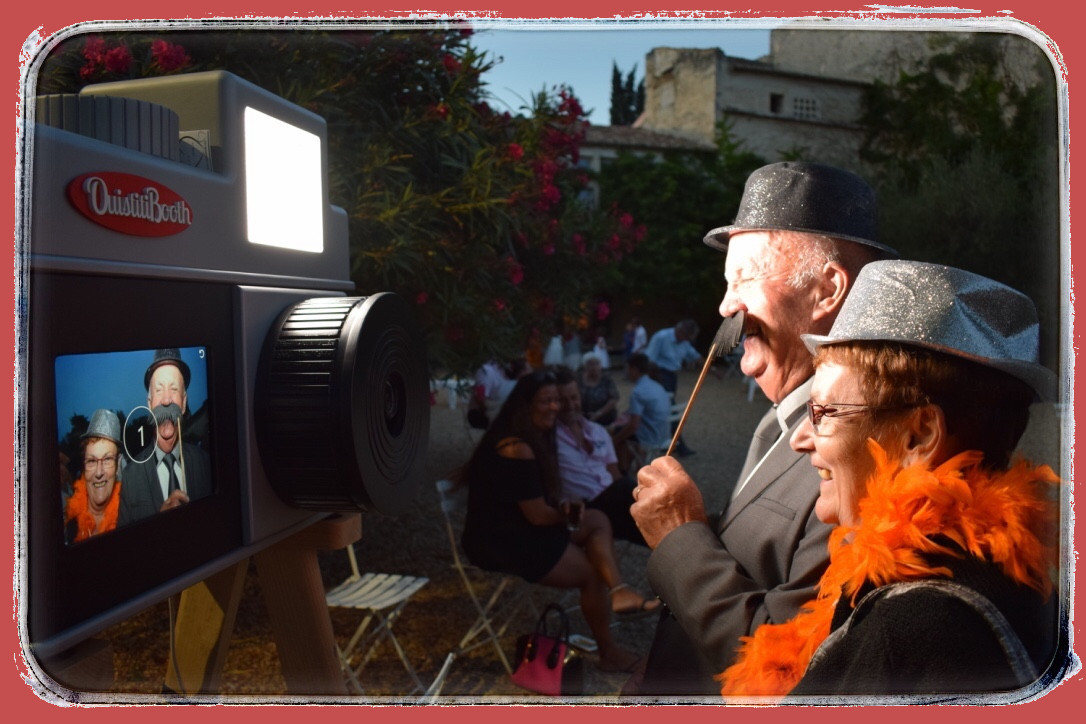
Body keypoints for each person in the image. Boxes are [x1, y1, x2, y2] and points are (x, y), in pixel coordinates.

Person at [719, 260, 1061, 699]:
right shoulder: (1001, 579)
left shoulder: (920, 629)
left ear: (919, 435)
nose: (799, 439)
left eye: (822, 413)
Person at [629, 161, 897, 695]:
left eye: (745, 278)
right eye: (726, 283)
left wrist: (680, 536)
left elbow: (783, 666)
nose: (725, 305)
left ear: (826, 291)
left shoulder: (861, 455)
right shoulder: (780, 417)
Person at [458, 370, 660, 673]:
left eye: (557, 400)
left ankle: (620, 591)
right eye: (546, 401)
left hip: (519, 527)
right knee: (591, 574)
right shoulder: (516, 447)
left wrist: (568, 508)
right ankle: (609, 653)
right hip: (501, 541)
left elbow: (533, 505)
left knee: (596, 519)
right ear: (524, 405)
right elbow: (538, 515)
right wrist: (564, 513)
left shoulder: (531, 438)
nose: (555, 407)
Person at [553, 366, 646, 547]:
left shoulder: (597, 431)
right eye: (562, 400)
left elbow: (614, 473)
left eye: (573, 398)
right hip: (586, 505)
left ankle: (688, 534)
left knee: (642, 498)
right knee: (639, 511)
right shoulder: (550, 438)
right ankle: (691, 537)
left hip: (614, 495)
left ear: (580, 396)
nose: (570, 405)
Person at [119, 348, 212, 526]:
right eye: (159, 390)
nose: (167, 400)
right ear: (149, 404)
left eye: (174, 389)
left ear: (184, 403)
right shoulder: (130, 477)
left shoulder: (205, 465)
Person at [643, 319, 705, 457]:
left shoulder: (684, 342)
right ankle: (678, 445)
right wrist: (654, 381)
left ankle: (666, 442)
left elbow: (694, 355)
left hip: (671, 377)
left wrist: (711, 369)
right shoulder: (661, 337)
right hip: (658, 375)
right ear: (681, 331)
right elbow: (649, 359)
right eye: (687, 337)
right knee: (669, 410)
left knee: (665, 411)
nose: (687, 340)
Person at [64, 408, 124, 543]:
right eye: (91, 461)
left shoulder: (130, 516)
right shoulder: (70, 527)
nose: (99, 473)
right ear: (84, 466)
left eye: (107, 459)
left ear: (118, 464)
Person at [610, 353, 672, 475]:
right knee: (622, 433)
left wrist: (613, 441)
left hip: (650, 437)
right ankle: (630, 464)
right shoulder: (656, 385)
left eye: (627, 369)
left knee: (618, 434)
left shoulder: (638, 391)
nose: (626, 372)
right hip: (664, 433)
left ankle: (622, 470)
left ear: (634, 370)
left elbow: (633, 426)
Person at [577, 350, 620, 426]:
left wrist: (598, 413)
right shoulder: (579, 379)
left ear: (600, 365)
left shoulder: (607, 379)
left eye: (596, 364)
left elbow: (614, 399)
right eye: (590, 364)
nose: (594, 367)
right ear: (585, 366)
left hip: (605, 417)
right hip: (583, 417)